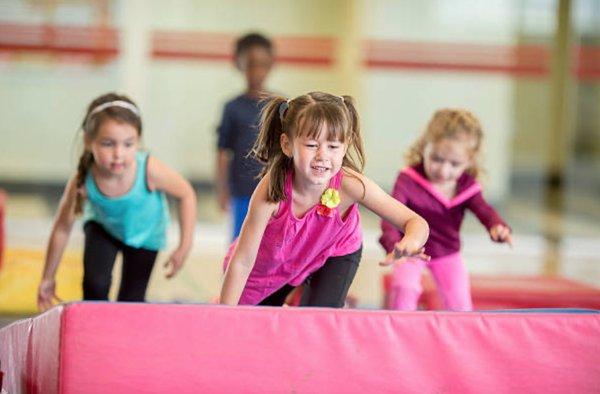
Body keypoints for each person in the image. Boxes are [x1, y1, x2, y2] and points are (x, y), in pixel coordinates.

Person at [220, 92, 430, 307]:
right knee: (254, 323)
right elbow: (243, 260)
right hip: (272, 266)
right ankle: (296, 295)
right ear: (287, 145)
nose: (322, 155)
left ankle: (319, 297)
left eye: (333, 146)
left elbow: (415, 222)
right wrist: (225, 313)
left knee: (318, 319)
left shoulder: (351, 185)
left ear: (345, 147)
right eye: (311, 145)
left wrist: (410, 242)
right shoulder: (271, 191)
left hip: (335, 252)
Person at [37, 93, 197, 311]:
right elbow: (62, 228)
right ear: (88, 141)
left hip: (145, 234)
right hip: (104, 229)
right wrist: (48, 277)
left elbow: (186, 193)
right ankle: (92, 334)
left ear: (138, 141)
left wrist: (184, 246)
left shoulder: (149, 170)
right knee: (95, 284)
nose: (118, 154)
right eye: (108, 143)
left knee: (130, 302)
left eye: (128, 144)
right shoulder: (82, 180)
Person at [379, 108, 513, 311]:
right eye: (436, 159)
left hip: (447, 253)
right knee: (405, 288)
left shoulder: (466, 187)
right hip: (410, 249)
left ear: (469, 161)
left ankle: (459, 338)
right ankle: (399, 332)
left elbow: (484, 211)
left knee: (459, 303)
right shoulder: (408, 180)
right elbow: (390, 215)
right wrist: (394, 246)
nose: (444, 170)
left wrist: (497, 227)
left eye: (455, 164)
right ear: (424, 147)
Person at [215, 32, 275, 240]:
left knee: (269, 244)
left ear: (271, 65)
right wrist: (222, 190)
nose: (257, 71)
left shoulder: (280, 106)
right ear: (239, 64)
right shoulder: (232, 108)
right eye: (251, 64)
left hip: (272, 191)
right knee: (240, 244)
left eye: (262, 64)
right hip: (241, 191)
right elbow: (223, 151)